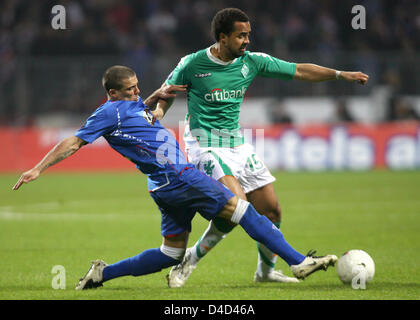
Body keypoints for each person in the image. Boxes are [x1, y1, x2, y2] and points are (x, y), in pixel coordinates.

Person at [12, 65, 338, 290]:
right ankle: (297, 262)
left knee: (171, 254)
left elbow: (141, 108)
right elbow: (74, 141)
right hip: (179, 176)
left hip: (162, 187)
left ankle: (102, 274)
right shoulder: (108, 112)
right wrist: (38, 168)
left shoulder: (131, 104)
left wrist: (157, 94)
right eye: (130, 89)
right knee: (243, 209)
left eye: (138, 86)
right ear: (112, 93)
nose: (137, 91)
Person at [153, 8, 369, 287]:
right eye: (240, 36)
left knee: (271, 210)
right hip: (204, 143)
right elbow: (166, 90)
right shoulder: (193, 63)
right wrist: (159, 111)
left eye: (248, 35)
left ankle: (265, 272)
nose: (247, 41)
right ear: (222, 37)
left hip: (236, 143)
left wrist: (340, 74)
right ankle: (190, 260)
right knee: (237, 207)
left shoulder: (252, 62)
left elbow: (300, 70)